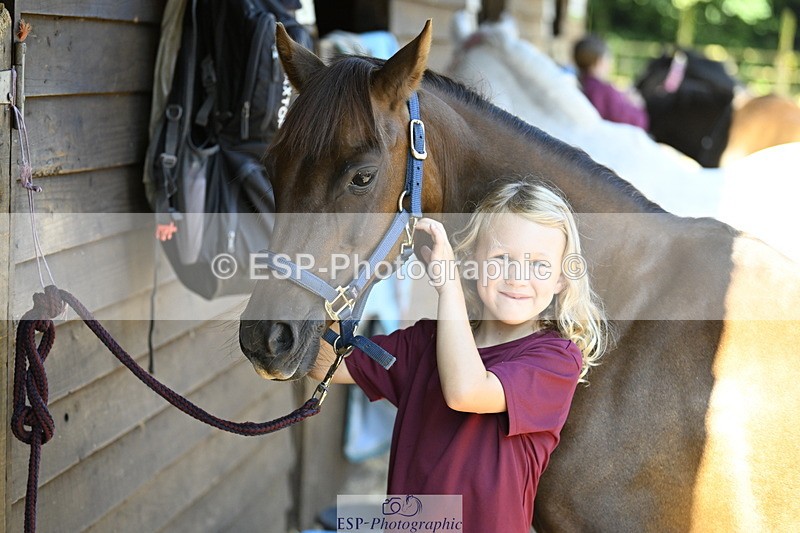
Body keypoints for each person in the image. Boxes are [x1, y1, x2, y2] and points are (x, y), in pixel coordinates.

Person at [310, 180, 610, 532]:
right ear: (472, 263)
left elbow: (466, 391)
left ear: (561, 279)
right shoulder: (427, 341)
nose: (517, 277)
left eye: (539, 266)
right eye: (501, 259)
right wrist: (342, 272)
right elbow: (321, 364)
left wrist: (447, 285)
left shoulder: (556, 359)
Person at [573, 34, 649, 129]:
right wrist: (636, 105)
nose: (611, 63)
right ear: (599, 60)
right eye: (608, 57)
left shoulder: (580, 84)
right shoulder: (602, 91)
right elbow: (637, 122)